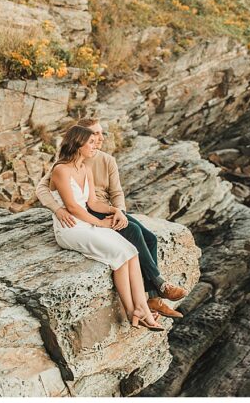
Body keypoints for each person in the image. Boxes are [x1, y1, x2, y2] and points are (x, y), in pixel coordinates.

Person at [37, 118, 189, 318]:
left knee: (150, 238)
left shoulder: (105, 160)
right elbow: (42, 188)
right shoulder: (65, 165)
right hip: (86, 213)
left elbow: (116, 191)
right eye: (94, 134)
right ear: (80, 138)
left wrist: (119, 211)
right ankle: (159, 285)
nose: (99, 138)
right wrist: (57, 209)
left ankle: (152, 297)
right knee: (133, 233)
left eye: (100, 133)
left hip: (101, 207)